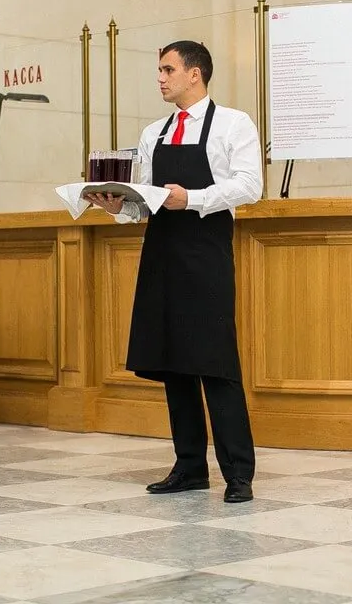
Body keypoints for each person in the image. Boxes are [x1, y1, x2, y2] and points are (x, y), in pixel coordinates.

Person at [89, 41, 262, 503]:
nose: (160, 78)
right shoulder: (154, 133)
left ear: (195, 74)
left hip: (207, 255)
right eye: (159, 70)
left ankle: (238, 474)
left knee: (216, 363)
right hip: (162, 254)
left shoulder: (234, 124)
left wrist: (193, 198)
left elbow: (250, 186)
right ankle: (189, 468)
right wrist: (118, 207)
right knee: (175, 363)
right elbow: (146, 202)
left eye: (168, 70)